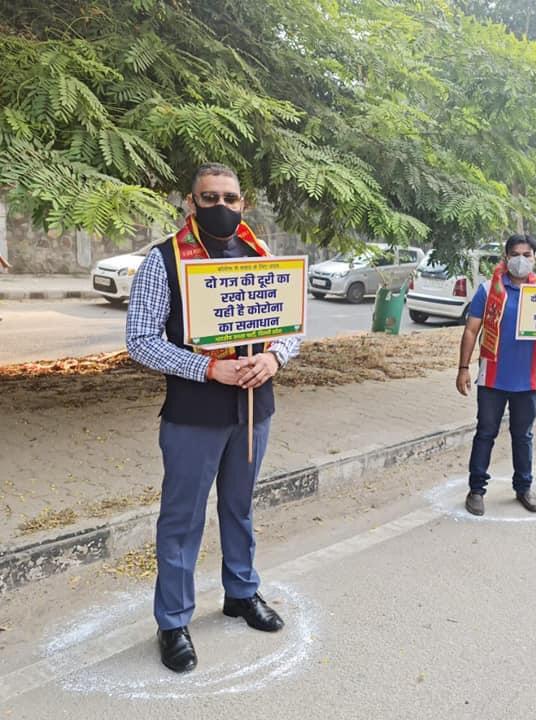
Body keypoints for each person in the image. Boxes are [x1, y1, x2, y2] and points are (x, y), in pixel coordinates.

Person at [126, 163, 301, 674]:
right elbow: (140, 340)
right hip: (193, 414)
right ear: (191, 203)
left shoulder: (261, 257)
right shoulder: (165, 262)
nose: (221, 206)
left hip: (254, 409)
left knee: (240, 507)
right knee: (181, 520)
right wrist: (208, 369)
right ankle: (174, 621)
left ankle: (242, 592)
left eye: (230, 197)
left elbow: (290, 326)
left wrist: (275, 358)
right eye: (209, 198)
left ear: (243, 203)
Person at [457, 234, 536, 517]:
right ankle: (476, 489)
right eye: (515, 254)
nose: (521, 259)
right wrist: (463, 368)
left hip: (526, 381)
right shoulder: (487, 290)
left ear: (534, 258)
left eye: (527, 254)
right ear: (505, 257)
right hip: (492, 378)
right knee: (485, 433)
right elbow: (471, 330)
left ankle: (523, 488)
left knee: (523, 436)